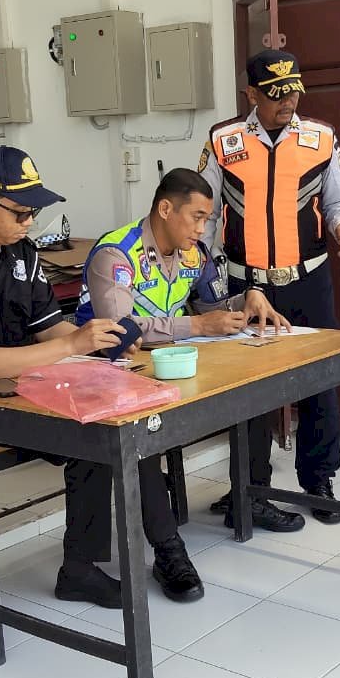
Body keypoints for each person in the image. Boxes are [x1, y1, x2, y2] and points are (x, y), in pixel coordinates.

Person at [0, 146, 127, 667]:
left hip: (20, 396)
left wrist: (101, 342)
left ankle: (80, 568)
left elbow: (50, 324)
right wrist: (72, 347)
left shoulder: (22, 255)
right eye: (20, 212)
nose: (29, 222)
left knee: (95, 439)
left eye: (34, 213)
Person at [73, 167, 290, 599]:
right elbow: (120, 329)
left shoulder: (195, 255)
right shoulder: (116, 254)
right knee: (145, 438)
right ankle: (169, 550)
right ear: (165, 208)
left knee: (253, 391)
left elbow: (210, 305)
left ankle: (250, 497)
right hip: (109, 370)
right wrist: (196, 325)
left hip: (169, 363)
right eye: (195, 217)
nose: (202, 228)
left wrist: (245, 299)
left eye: (207, 219)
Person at [198, 48, 340, 529]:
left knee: (320, 382)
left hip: (307, 281)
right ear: (251, 94)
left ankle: (319, 480)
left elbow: (338, 199)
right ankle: (251, 487)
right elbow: (205, 216)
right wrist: (200, 276)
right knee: (248, 390)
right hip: (246, 286)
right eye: (274, 94)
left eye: (292, 91)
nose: (286, 101)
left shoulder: (320, 138)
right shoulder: (224, 141)